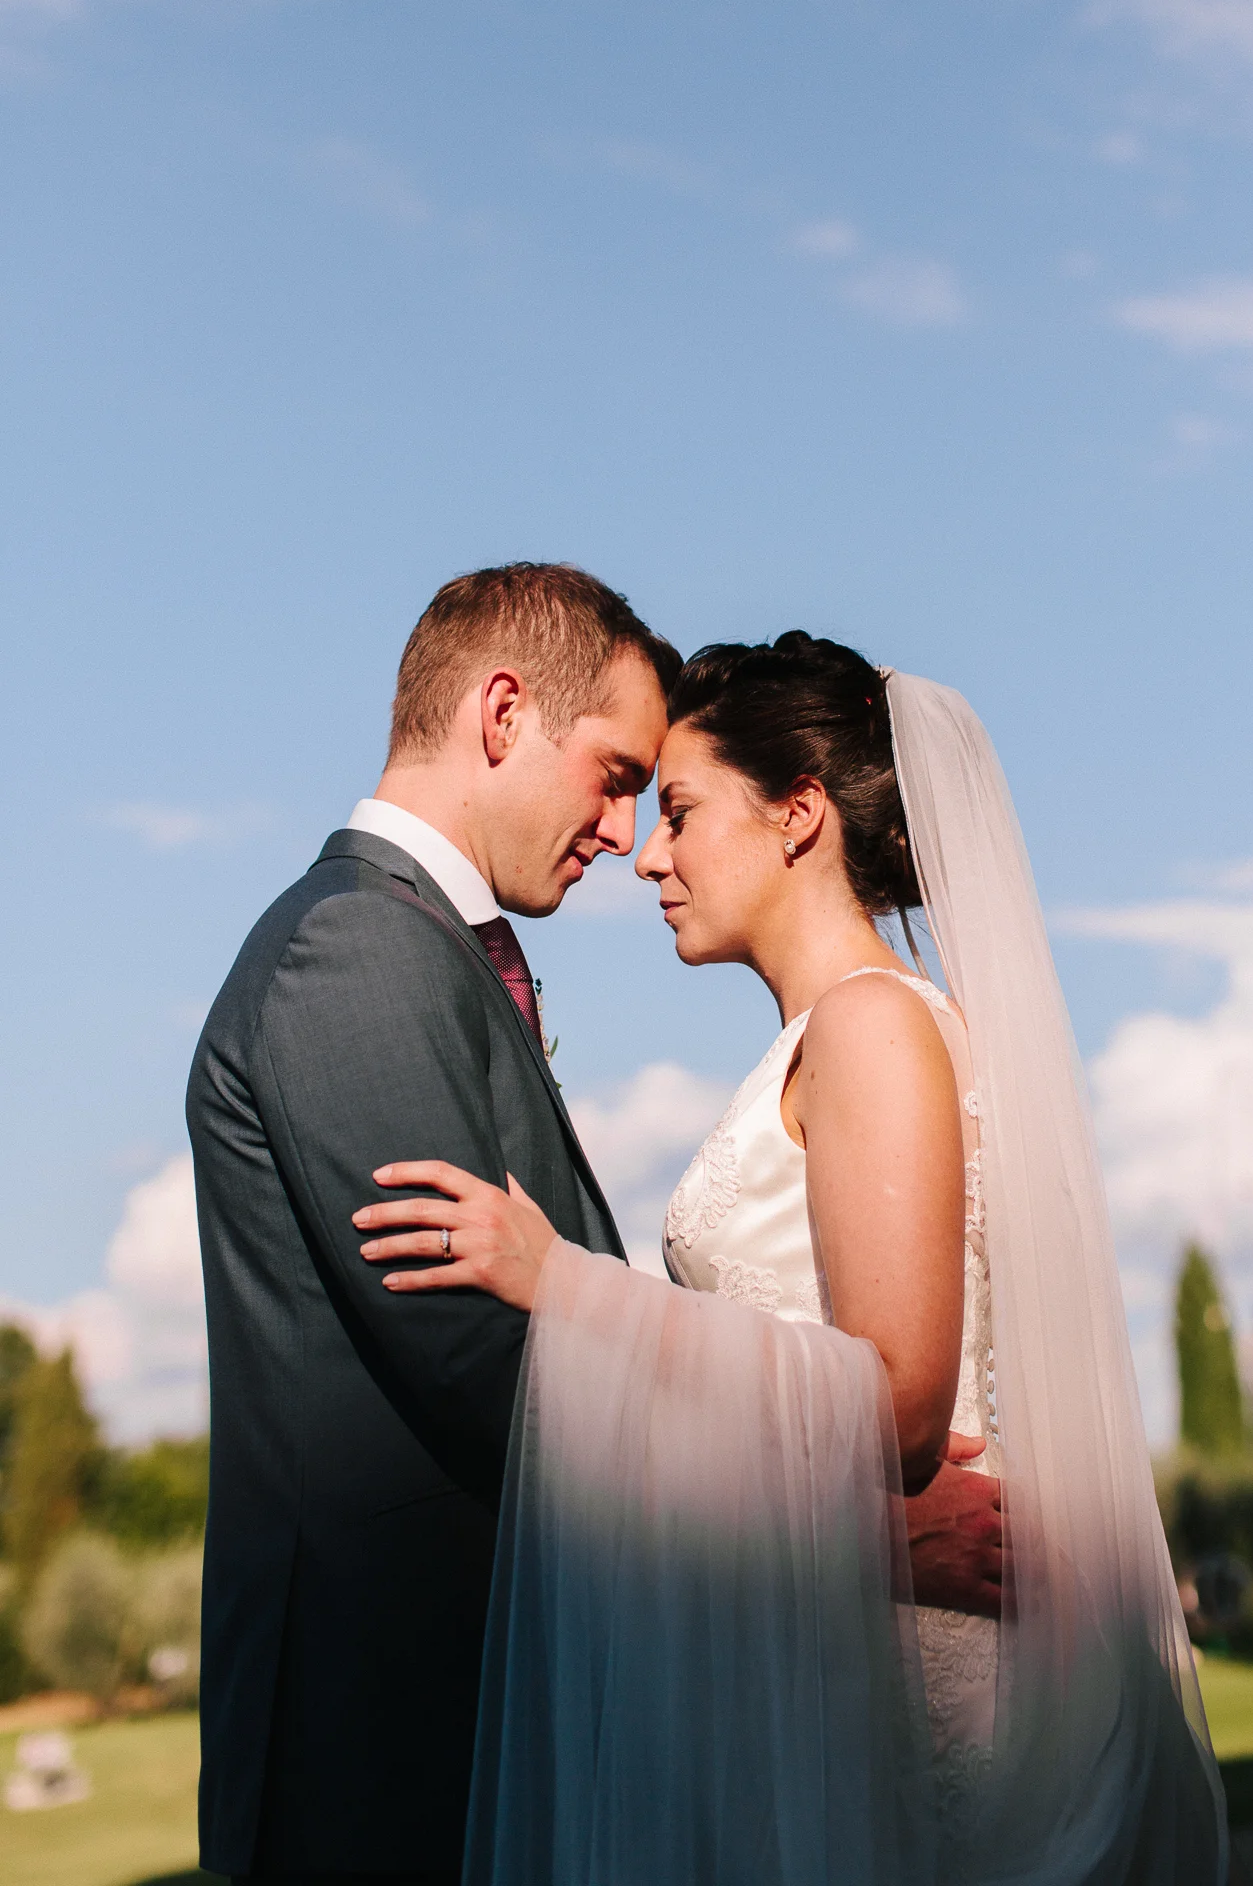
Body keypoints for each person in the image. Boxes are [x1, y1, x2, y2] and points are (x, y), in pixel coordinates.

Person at [358, 632, 1228, 1884]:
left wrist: (569, 1287)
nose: (647, 853)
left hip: (929, 1667)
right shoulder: (837, 1033)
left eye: (683, 811)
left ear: (799, 815)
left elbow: (899, 1399)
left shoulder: (872, 1024)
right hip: (844, 1635)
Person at [188, 573, 999, 1886]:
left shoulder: (424, 955)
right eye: (619, 776)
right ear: (501, 714)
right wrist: (861, 1533)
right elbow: (484, 1378)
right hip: (397, 1738)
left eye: (660, 800)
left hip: (499, 1723)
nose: (627, 837)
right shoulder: (357, 954)